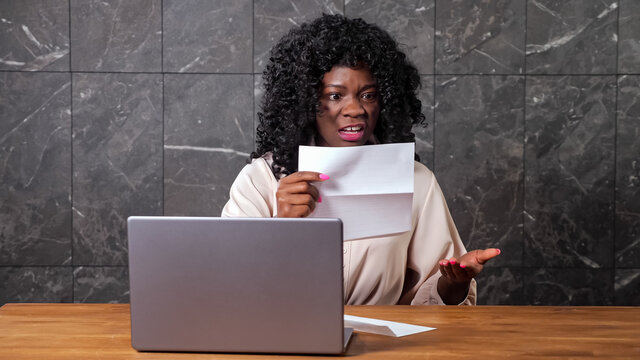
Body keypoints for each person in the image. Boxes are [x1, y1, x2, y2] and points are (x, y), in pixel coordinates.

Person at [221, 14, 500, 305]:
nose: (355, 109)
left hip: (381, 344)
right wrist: (281, 228)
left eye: (368, 95)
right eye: (334, 96)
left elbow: (433, 297)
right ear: (304, 102)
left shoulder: (416, 182)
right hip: (285, 338)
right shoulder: (260, 180)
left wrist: (453, 284)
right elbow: (226, 287)